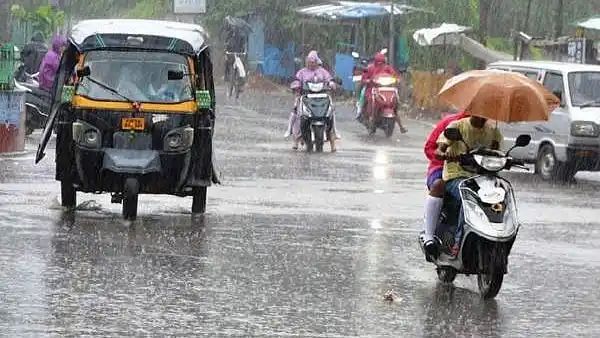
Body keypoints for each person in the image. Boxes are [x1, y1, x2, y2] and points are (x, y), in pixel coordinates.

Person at [436, 115, 503, 257]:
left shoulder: (493, 131)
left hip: (483, 180)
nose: (483, 117)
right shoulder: (457, 126)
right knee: (470, 197)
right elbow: (439, 150)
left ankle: (496, 237)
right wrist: (445, 155)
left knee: (500, 197)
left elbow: (497, 154)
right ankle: (458, 242)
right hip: (456, 177)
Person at [421, 110, 469, 259]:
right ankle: (429, 237)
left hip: (473, 173)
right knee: (439, 185)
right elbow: (430, 149)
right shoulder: (451, 123)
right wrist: (446, 156)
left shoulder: (490, 130)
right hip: (442, 169)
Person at [285, 50, 338, 151]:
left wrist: (331, 84)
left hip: (322, 98)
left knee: (331, 113)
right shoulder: (302, 72)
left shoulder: (323, 72)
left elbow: (329, 79)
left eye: (313, 62)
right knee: (296, 111)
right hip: (306, 97)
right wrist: (296, 86)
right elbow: (296, 80)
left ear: (317, 62)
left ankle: (332, 141)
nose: (311, 64)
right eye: (309, 62)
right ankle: (295, 138)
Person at [361, 52, 407, 133]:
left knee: (394, 104)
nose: (380, 64)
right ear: (375, 62)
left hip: (387, 89)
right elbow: (364, 78)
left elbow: (394, 75)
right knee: (368, 99)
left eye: (381, 62)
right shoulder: (370, 68)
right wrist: (368, 80)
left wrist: (397, 79)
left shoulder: (388, 68)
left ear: (384, 62)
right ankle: (369, 117)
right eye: (378, 62)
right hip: (373, 88)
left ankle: (401, 126)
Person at [221, 16, 250, 82]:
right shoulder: (230, 34)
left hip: (239, 53)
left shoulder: (241, 35)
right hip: (232, 53)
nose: (234, 28)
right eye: (233, 27)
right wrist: (225, 48)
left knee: (242, 63)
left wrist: (245, 51)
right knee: (227, 62)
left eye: (235, 27)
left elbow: (244, 45)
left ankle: (243, 76)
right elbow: (226, 43)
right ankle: (226, 76)